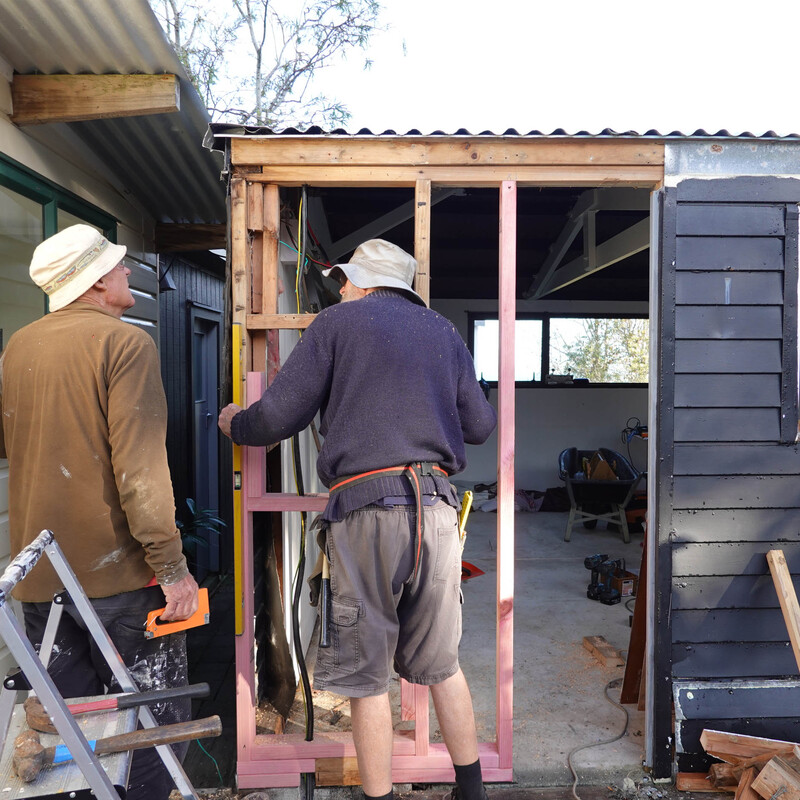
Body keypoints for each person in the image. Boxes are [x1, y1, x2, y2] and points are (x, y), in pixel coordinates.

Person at [218, 238, 497, 800]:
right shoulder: (443, 332)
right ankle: (472, 792)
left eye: (346, 279)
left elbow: (279, 415)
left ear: (366, 283)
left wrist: (236, 424)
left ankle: (379, 797)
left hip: (367, 509)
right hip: (438, 510)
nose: (340, 288)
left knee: (367, 675)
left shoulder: (336, 324)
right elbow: (481, 425)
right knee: (442, 663)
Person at [0, 225, 199, 800]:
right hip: (119, 583)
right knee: (156, 733)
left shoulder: (19, 348)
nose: (127, 272)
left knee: (73, 733)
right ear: (93, 283)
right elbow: (140, 469)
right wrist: (171, 568)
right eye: (117, 266)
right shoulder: (125, 344)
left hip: (40, 581)